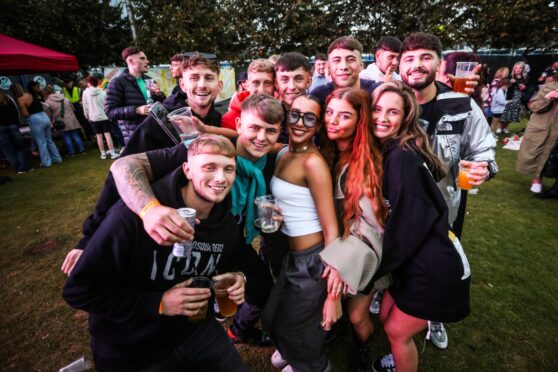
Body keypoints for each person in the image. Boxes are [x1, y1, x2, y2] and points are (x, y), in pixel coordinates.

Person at [63, 134, 251, 372]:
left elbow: (227, 266)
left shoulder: (225, 225)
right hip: (132, 348)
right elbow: (78, 290)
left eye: (228, 169)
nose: (220, 178)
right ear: (187, 170)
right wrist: (158, 304)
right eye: (209, 167)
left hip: (196, 332)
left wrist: (237, 278)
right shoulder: (132, 217)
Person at [398, 32, 497, 350]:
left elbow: (484, 149)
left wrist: (483, 168)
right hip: (398, 204)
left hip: (444, 205)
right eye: (409, 58)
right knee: (399, 255)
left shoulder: (461, 103)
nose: (417, 64)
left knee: (437, 264)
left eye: (425, 57)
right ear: (400, 65)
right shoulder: (390, 101)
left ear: (439, 64)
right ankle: (391, 296)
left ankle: (434, 315)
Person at [367, 81, 470, 372]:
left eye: (393, 112)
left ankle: (401, 362)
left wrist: (376, 269)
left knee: (397, 332)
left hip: (432, 269)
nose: (383, 118)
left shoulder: (400, 157)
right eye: (377, 109)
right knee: (388, 320)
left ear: (405, 118)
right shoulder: (396, 150)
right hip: (414, 262)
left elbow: (407, 227)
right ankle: (398, 358)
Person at [262, 94, 340, 372]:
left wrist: (333, 294)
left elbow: (332, 229)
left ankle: (313, 365)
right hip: (293, 256)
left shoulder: (313, 163)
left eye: (309, 118)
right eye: (294, 114)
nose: (299, 122)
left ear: (317, 126)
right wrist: (205, 129)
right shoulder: (284, 152)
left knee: (301, 326)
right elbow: (243, 135)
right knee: (273, 314)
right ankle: (291, 350)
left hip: (314, 260)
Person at [315, 87, 386, 372]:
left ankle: (363, 350)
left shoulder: (366, 167)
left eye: (344, 116)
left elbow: (371, 227)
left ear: (360, 121)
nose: (333, 120)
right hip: (338, 240)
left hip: (364, 250)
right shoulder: (329, 151)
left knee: (358, 317)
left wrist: (337, 267)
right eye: (330, 113)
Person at [124, 52, 235, 155]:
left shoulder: (216, 118)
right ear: (182, 85)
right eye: (194, 78)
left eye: (209, 78)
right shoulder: (161, 119)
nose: (202, 85)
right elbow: (124, 164)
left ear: (219, 86)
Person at [105, 46, 165, 144]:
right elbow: (109, 111)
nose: (147, 61)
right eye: (142, 58)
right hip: (136, 138)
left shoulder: (149, 80)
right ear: (130, 61)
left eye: (146, 58)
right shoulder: (117, 82)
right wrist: (136, 110)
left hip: (155, 132)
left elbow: (162, 104)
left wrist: (159, 95)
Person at [517, 67, 558, 195]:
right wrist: (548, 96)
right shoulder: (550, 86)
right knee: (542, 154)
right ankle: (537, 180)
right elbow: (534, 106)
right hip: (545, 129)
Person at [311, 36, 381, 104]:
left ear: (361, 66)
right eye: (336, 60)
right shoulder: (319, 96)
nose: (344, 66)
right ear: (329, 67)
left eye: (350, 60)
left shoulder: (377, 92)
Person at [12, 82, 62, 167]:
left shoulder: (20, 99)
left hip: (35, 119)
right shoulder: (31, 94)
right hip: (44, 116)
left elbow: (26, 114)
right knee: (49, 140)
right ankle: (57, 158)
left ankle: (46, 162)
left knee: (41, 142)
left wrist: (20, 112)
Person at [222, 58, 276, 130]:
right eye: (256, 83)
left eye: (267, 83)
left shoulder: (283, 114)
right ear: (247, 85)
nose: (261, 90)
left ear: (275, 85)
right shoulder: (229, 119)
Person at [81, 76, 120, 160]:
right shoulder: (103, 93)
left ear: (89, 83)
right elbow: (107, 106)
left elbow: (85, 106)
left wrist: (87, 116)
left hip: (93, 118)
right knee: (107, 135)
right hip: (104, 116)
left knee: (99, 136)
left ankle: (103, 154)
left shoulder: (85, 93)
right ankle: (112, 153)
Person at [44, 85, 86, 156]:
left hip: (60, 121)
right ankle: (82, 149)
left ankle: (72, 152)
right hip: (71, 119)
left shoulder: (47, 102)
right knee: (75, 134)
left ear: (46, 93)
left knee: (66, 137)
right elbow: (72, 108)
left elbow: (48, 114)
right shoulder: (64, 97)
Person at [0, 92, 32, 173]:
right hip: (12, 125)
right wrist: (16, 123)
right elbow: (16, 110)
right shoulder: (7, 97)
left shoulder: (7, 97)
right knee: (20, 147)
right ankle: (22, 167)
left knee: (8, 150)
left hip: (2, 128)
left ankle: (18, 168)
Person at [500, 61, 528, 132]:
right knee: (506, 113)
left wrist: (519, 84)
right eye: (516, 68)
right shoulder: (510, 76)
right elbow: (503, 84)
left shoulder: (525, 77)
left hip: (519, 98)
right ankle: (501, 128)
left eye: (520, 68)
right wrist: (509, 82)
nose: (518, 70)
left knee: (513, 114)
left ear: (522, 69)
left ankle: (505, 128)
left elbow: (524, 88)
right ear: (514, 69)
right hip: (510, 97)